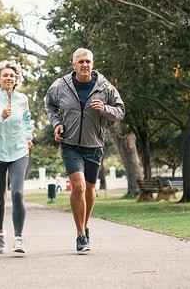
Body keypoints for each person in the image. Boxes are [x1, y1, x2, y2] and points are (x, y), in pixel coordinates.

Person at [45, 48, 125, 254]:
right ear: (73, 65)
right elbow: (50, 105)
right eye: (80, 61)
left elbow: (120, 111)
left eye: (88, 61)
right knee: (78, 187)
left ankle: (85, 224)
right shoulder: (60, 86)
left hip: (94, 145)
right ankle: (80, 234)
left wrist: (105, 109)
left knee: (90, 190)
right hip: (70, 144)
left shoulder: (104, 87)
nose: (85, 65)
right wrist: (56, 124)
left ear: (93, 63)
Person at [0, 60, 34, 254]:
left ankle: (19, 238)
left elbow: (27, 120)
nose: (9, 78)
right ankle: (0, 233)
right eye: (5, 75)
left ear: (16, 78)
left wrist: (28, 137)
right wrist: (0, 117)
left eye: (12, 75)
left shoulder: (22, 99)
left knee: (17, 193)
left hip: (19, 151)